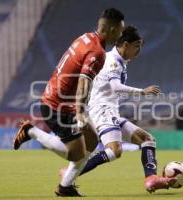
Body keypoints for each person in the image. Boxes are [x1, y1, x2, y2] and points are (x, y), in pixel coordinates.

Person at [12, 8, 125, 197]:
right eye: (120, 31)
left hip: (62, 101)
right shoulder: (98, 52)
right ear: (112, 29)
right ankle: (31, 131)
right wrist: (80, 111)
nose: (120, 36)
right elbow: (83, 80)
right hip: (58, 107)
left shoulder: (86, 37)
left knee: (91, 138)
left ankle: (65, 187)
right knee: (75, 154)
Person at [60, 26, 176, 193]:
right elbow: (115, 86)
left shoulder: (116, 60)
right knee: (115, 150)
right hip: (103, 110)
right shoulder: (113, 61)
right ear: (126, 45)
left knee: (147, 139)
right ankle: (70, 172)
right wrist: (141, 92)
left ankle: (151, 179)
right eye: (137, 46)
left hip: (110, 111)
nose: (139, 51)